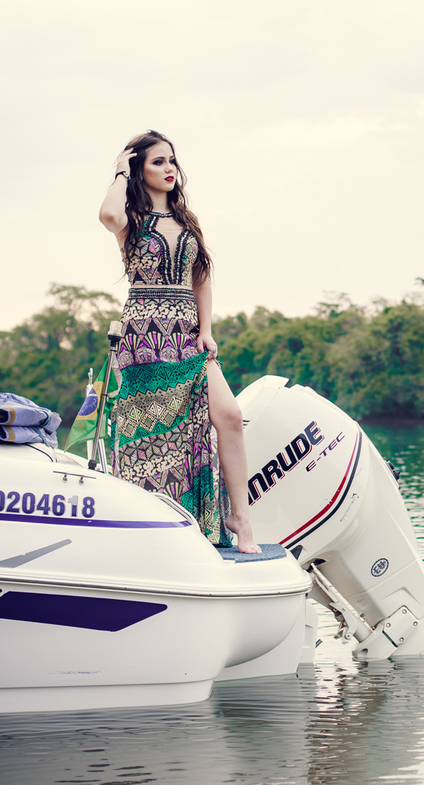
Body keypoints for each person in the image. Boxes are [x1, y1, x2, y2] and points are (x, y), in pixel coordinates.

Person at [98, 130, 260, 554]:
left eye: (172, 160)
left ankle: (239, 518)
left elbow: (201, 277)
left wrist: (207, 330)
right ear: (139, 169)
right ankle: (155, 520)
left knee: (228, 413)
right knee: (153, 435)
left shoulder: (188, 221)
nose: (169, 169)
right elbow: (107, 216)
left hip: (187, 333)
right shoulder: (131, 220)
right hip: (144, 338)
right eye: (157, 162)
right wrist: (119, 170)